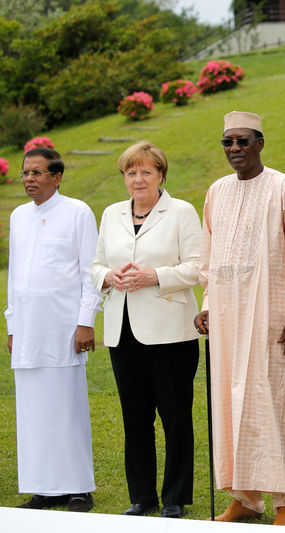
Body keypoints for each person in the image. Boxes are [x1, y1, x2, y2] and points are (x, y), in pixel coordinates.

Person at [194, 111, 285, 525]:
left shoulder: (284, 188)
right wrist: (206, 304)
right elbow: (209, 258)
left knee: (274, 401)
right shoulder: (217, 191)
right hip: (226, 315)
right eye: (228, 142)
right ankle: (245, 497)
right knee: (230, 402)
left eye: (243, 141)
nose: (235, 149)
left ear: (260, 142)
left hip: (272, 314)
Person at [91, 142, 202, 518]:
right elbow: (95, 264)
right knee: (135, 418)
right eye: (131, 172)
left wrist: (155, 276)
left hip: (171, 334)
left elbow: (198, 266)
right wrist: (108, 276)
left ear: (161, 175)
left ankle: (174, 498)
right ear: (124, 177)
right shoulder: (111, 214)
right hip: (123, 333)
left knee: (174, 417)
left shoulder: (181, 212)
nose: (138, 179)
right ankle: (142, 497)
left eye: (146, 172)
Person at [5, 148, 102, 512]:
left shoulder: (77, 212)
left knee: (67, 409)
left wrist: (85, 321)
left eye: (37, 173)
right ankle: (45, 488)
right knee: (33, 412)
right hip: (28, 330)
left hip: (64, 329)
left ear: (57, 177)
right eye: (25, 173)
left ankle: (78, 489)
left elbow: (89, 273)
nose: (29, 179)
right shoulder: (18, 216)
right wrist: (13, 325)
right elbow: (15, 277)